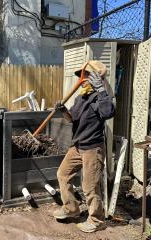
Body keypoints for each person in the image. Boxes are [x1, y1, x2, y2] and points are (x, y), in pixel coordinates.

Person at [53, 60, 115, 233]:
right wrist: (63, 110)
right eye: (84, 75)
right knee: (63, 174)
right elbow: (72, 118)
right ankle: (71, 208)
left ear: (97, 78)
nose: (84, 78)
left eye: (87, 74)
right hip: (78, 146)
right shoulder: (82, 97)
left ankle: (96, 220)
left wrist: (101, 90)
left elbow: (108, 113)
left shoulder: (100, 97)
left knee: (90, 187)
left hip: (92, 149)